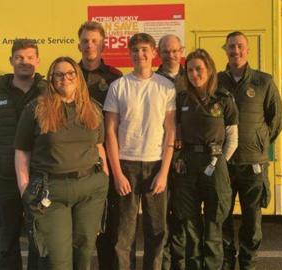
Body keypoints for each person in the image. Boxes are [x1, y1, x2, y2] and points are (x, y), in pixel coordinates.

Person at [14, 56, 109, 270]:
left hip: (90, 189)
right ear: (51, 79)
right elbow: (22, 151)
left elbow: (100, 145)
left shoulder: (92, 108)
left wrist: (105, 177)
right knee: (58, 260)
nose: (64, 78)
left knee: (84, 254)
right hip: (51, 192)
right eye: (58, 74)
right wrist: (24, 188)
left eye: (70, 73)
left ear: (78, 78)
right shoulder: (36, 109)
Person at [104, 33, 176, 270]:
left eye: (145, 49)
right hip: (126, 165)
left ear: (154, 52)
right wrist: (117, 174)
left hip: (155, 164)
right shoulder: (118, 86)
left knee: (156, 231)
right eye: (135, 50)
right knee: (123, 235)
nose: (140, 54)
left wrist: (164, 173)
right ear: (130, 54)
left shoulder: (166, 87)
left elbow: (170, 132)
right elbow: (110, 133)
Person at [0, 39, 45, 270]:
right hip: (4, 179)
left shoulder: (47, 92)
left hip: (39, 178)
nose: (25, 62)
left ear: (38, 61)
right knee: (6, 243)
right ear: (11, 61)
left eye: (30, 57)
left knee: (39, 240)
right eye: (19, 57)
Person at [219, 31, 282, 270]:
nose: (236, 50)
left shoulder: (263, 82)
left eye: (240, 46)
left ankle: (248, 264)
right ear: (225, 50)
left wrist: (259, 143)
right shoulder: (217, 81)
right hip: (224, 164)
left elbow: (276, 121)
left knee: (252, 219)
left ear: (248, 50)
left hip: (252, 163)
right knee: (222, 217)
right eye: (231, 46)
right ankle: (226, 262)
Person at [170, 49, 239, 270]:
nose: (194, 74)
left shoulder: (224, 98)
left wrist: (221, 164)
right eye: (189, 70)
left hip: (214, 162)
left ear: (209, 70)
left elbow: (233, 138)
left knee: (213, 225)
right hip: (188, 165)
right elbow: (176, 132)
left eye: (198, 69)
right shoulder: (181, 99)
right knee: (189, 224)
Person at [77, 21, 123, 270]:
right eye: (85, 41)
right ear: (79, 44)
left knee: (109, 230)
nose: (89, 45)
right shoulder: (67, 74)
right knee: (79, 233)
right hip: (74, 160)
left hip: (106, 160)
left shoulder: (115, 78)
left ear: (104, 44)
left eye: (94, 40)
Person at [156, 34, 185, 270]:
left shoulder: (193, 77)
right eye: (165, 51)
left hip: (187, 159)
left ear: (181, 50)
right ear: (159, 53)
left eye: (174, 50)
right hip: (162, 156)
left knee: (183, 217)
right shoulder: (152, 80)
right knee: (162, 217)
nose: (170, 55)